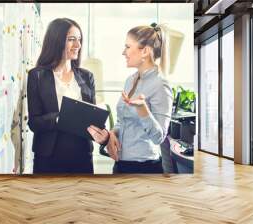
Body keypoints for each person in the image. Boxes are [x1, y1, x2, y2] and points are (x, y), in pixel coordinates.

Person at [88, 23, 173, 174]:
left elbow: (159, 138)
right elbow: (122, 121)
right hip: (121, 164)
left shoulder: (161, 85)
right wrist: (113, 133)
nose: (123, 52)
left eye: (128, 47)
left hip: (145, 167)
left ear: (145, 51)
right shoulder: (130, 80)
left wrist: (143, 110)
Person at [27, 18, 103, 174]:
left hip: (82, 155)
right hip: (48, 157)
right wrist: (60, 117)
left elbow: (92, 117)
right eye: (71, 39)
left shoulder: (87, 77)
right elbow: (34, 122)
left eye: (79, 40)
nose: (78, 45)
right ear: (56, 40)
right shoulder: (37, 76)